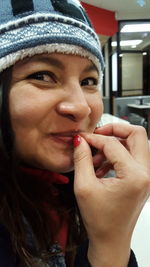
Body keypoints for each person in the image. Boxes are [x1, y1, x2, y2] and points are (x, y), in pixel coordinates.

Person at [0, 0, 149, 266]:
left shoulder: (77, 192)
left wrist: (112, 230)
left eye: (88, 81)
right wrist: (110, 245)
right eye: (43, 75)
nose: (81, 107)